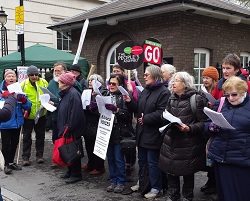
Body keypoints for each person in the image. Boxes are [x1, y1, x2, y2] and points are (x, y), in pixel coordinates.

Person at [159, 72, 208, 201]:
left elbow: (203, 123)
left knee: (187, 173)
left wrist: (190, 128)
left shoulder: (196, 99)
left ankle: (187, 197)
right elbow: (166, 115)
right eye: (173, 81)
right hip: (171, 142)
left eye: (177, 81)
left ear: (185, 84)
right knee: (171, 171)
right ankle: (173, 196)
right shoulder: (171, 98)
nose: (173, 83)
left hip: (187, 144)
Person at [123, 65, 170, 199]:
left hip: (154, 134)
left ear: (155, 76)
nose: (144, 77)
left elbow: (162, 113)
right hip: (142, 133)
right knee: (142, 160)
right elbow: (139, 108)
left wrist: (146, 118)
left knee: (152, 162)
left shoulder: (164, 92)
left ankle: (156, 187)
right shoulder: (145, 91)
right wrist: (130, 101)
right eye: (143, 74)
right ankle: (143, 182)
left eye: (146, 74)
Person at [205, 76, 250, 201]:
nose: (230, 98)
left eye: (234, 94)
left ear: (243, 92)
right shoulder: (221, 103)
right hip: (221, 159)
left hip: (241, 160)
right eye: (227, 95)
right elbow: (206, 124)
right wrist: (211, 127)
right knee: (224, 195)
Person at [105, 73, 134, 193]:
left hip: (120, 131)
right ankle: (113, 180)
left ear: (120, 85)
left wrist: (116, 110)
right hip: (107, 131)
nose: (111, 86)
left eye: (114, 84)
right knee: (110, 158)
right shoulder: (106, 94)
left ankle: (121, 181)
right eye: (109, 83)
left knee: (118, 158)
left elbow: (128, 116)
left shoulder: (124, 96)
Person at [0, 70, 32, 174]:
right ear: (5, 78)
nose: (11, 78)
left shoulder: (19, 90)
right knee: (6, 144)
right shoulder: (1, 92)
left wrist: (24, 101)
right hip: (5, 123)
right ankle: (5, 164)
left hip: (17, 122)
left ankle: (11, 161)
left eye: (13, 76)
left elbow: (27, 106)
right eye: (9, 76)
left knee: (15, 143)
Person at [57, 72, 86, 184]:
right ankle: (70, 171)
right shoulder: (67, 93)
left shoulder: (73, 94)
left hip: (71, 129)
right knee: (67, 150)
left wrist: (69, 127)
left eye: (60, 81)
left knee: (73, 151)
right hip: (66, 127)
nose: (58, 83)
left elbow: (75, 114)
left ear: (65, 83)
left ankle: (76, 174)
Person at [21, 65, 48, 166]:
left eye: (36, 74)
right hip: (28, 115)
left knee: (40, 136)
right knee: (27, 136)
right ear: (28, 75)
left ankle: (39, 155)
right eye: (32, 75)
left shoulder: (44, 83)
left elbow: (49, 95)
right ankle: (25, 157)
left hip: (41, 114)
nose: (34, 76)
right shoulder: (23, 84)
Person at [82, 74, 108, 174]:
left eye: (92, 81)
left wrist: (90, 108)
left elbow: (103, 110)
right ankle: (91, 163)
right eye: (89, 80)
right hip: (88, 123)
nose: (89, 82)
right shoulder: (88, 92)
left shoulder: (103, 93)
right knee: (89, 145)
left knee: (97, 146)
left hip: (97, 123)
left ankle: (99, 167)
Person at [200, 66, 219, 195]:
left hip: (214, 125)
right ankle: (210, 181)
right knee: (206, 158)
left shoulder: (218, 90)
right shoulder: (202, 91)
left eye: (208, 78)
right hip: (206, 125)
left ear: (214, 79)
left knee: (212, 157)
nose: (205, 80)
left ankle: (213, 182)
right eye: (204, 78)